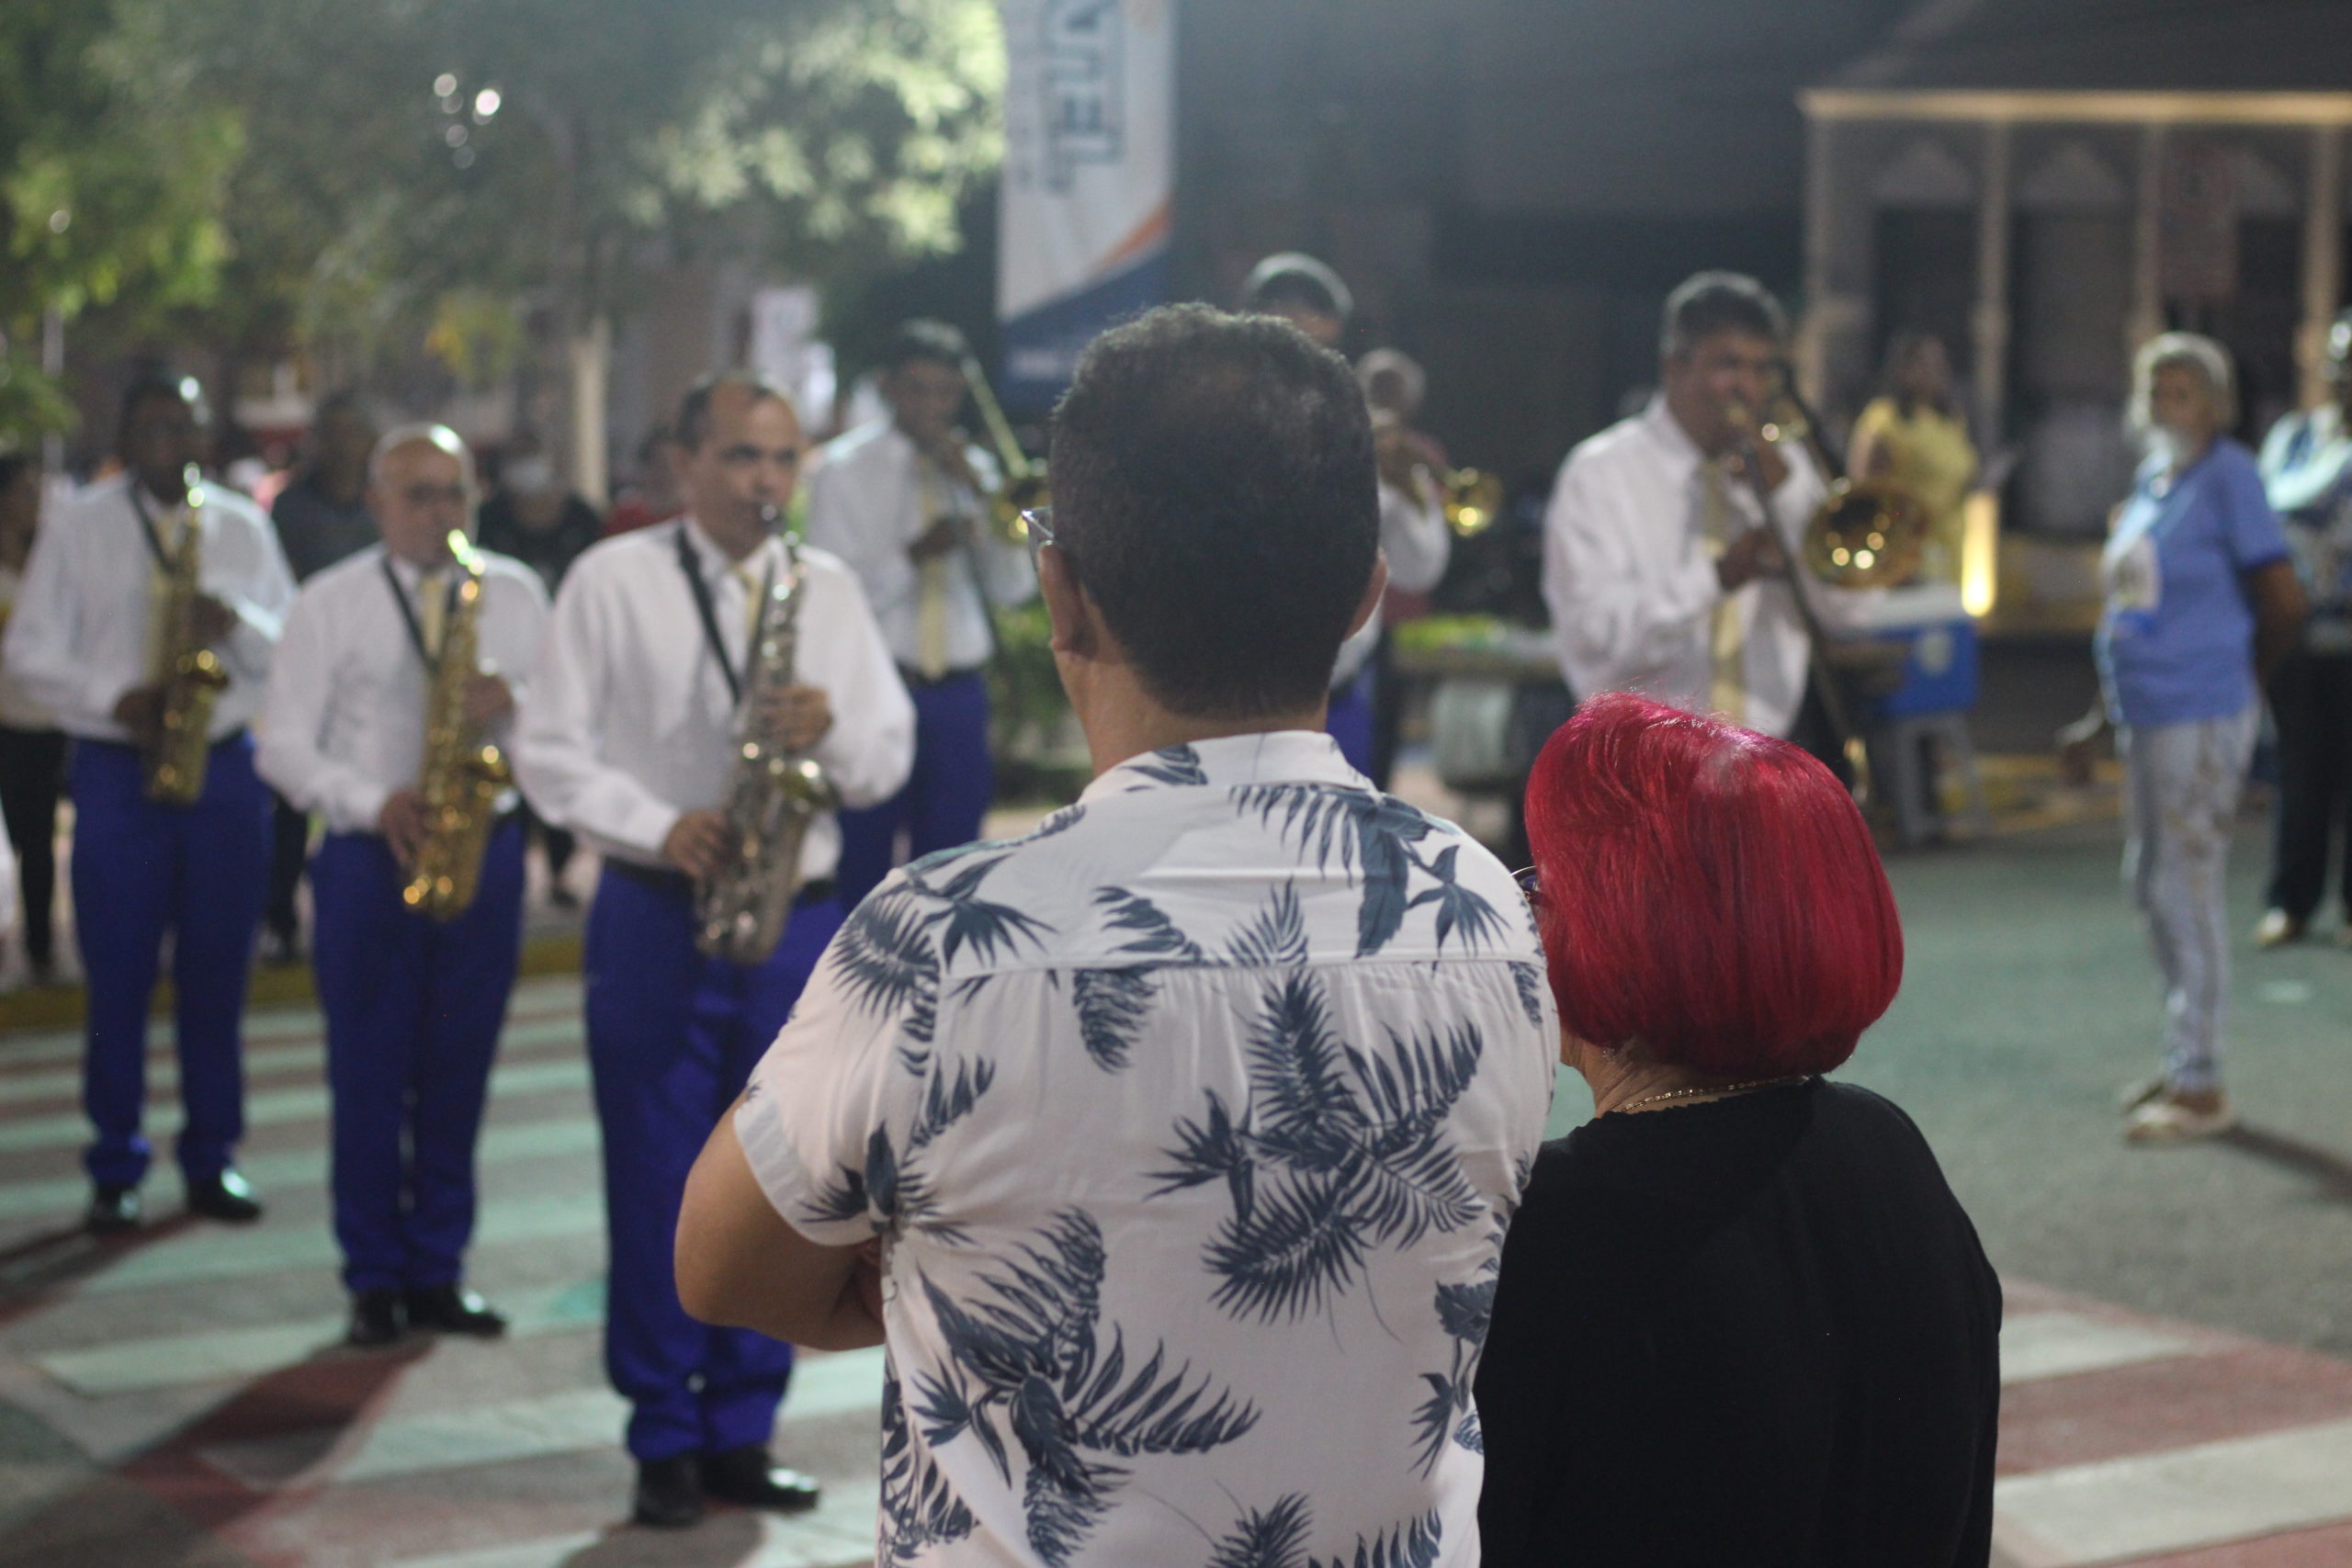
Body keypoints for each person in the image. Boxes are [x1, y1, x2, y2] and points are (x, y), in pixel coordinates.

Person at [675, 305, 1555, 1567]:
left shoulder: (945, 940)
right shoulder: (1480, 906)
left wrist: (951, 1270)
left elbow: (722, 1267)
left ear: (1062, 589)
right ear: (1366, 594)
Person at [513, 372, 913, 1529]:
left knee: (797, 1182)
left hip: (794, 911)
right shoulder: (611, 579)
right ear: (683, 464)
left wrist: (832, 730)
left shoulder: (823, 586)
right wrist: (655, 824)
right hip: (655, 907)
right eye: (741, 458)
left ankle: (744, 1426)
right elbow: (549, 752)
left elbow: (886, 755)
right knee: (650, 1175)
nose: (764, 483)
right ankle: (662, 1431)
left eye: (782, 461)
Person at [1476, 691, 1997, 1566]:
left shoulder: (1556, 1226)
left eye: (1548, 885)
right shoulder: (1889, 1152)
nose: (1530, 914)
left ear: (1625, 932)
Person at [257, 424, 549, 1348]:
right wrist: (367, 799)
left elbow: (567, 731)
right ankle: (372, 1276)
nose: (437, 514)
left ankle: (438, 1270)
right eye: (416, 495)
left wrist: (519, 708)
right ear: (377, 504)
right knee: (370, 1076)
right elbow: (281, 746)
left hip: (483, 849)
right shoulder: (327, 602)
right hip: (363, 858)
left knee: (460, 1074)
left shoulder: (514, 592)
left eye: (452, 493)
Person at [3, 373, 297, 1231]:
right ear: (125, 433)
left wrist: (236, 618)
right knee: (120, 977)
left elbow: (292, 646)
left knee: (216, 977)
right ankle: (115, 1162)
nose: (171, 437)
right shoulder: (79, 524)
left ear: (207, 431)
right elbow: (28, 651)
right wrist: (113, 696)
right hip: (116, 767)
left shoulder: (241, 525)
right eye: (153, 424)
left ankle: (213, 1156)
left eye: (185, 422)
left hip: (224, 765)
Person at [2058, 333, 2307, 1143]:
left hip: (2200, 709)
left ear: (2215, 402)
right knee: (2152, 884)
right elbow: (2136, 606)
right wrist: (2102, 713)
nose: (2169, 403)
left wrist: (2238, 682)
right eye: (2156, 389)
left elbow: (2282, 598)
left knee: (2186, 890)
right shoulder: (2155, 481)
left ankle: (2202, 1084)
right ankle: (2183, 1056)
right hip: (2150, 707)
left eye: (2185, 390)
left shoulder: (2229, 476)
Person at [1543, 270, 1834, 746]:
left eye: (1762, 370)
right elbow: (1595, 641)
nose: (1747, 388)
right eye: (1728, 365)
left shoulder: (1785, 471)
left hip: (1764, 757)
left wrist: (1789, 500)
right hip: (1641, 759)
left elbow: (1850, 611)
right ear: (1674, 367)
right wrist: (1717, 577)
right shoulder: (1599, 474)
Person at [804, 321, 1035, 908]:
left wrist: (983, 506)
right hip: (877, 684)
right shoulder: (842, 470)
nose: (934, 405)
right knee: (863, 858)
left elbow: (1012, 591)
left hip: (957, 691)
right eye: (918, 389)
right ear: (888, 388)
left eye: (947, 393)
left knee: (956, 867)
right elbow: (835, 592)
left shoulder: (976, 469)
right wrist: (913, 554)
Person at [1239, 255, 1451, 775]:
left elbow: (1421, 569)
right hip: (1237, 710)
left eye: (1314, 339)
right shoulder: (1215, 436)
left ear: (1333, 337)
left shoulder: (1363, 434)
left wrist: (1398, 490)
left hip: (1341, 700)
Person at [263, 390, 382, 964]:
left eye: (351, 430)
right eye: (330, 431)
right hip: (310, 667)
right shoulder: (291, 508)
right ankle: (280, 916)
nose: (341, 443)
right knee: (293, 795)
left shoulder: (381, 507)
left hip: (373, 675)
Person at [2253, 308, 2352, 948]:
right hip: (2294, 631)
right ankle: (2291, 900)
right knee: (2299, 768)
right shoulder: (2293, 438)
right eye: (2341, 368)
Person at [481, 431, 603, 908]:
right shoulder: (491, 522)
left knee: (560, 753)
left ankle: (560, 863)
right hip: (513, 655)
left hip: (574, 653)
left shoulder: (580, 517)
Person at [0, 452, 67, 987]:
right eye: (24, 490)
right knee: (14, 845)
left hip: (54, 723)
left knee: (42, 841)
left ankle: (43, 945)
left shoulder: (53, 561)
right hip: (7, 724)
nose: (35, 501)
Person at [1848, 330, 1978, 584]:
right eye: (1926, 363)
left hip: (1950, 547)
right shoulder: (1886, 420)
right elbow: (1866, 492)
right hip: (1908, 553)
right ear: (1903, 369)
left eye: (1940, 364)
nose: (1935, 371)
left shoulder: (1949, 420)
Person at [604, 425, 684, 537]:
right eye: (655, 465)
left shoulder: (696, 520)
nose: (662, 475)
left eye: (668, 466)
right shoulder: (625, 518)